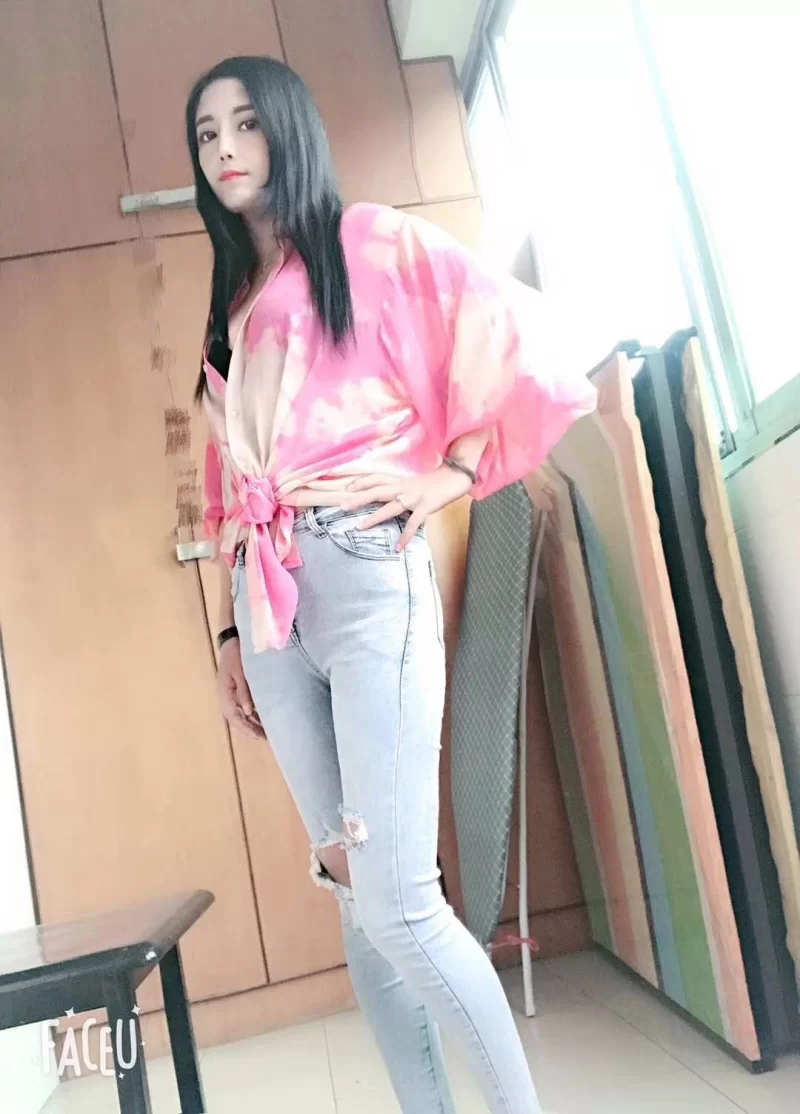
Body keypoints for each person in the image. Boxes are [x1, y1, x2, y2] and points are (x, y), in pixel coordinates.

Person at [186, 54, 595, 1114]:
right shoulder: (230, 302)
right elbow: (223, 486)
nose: (225, 148)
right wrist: (227, 638)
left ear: (288, 127)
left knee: (402, 901)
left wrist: (450, 473)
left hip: (363, 574)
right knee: (352, 894)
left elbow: (511, 335)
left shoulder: (364, 240)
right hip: (266, 607)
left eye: (245, 124)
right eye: (207, 134)